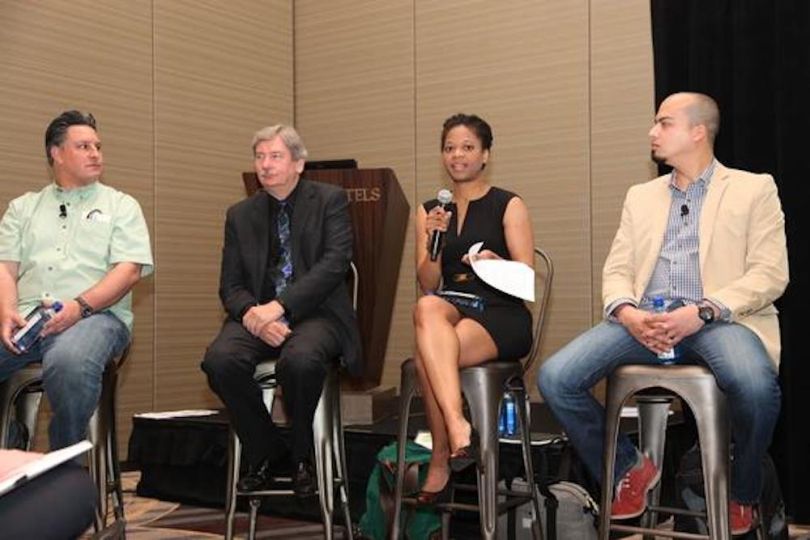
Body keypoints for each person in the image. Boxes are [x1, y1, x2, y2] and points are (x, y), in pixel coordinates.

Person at [538, 92, 788, 535]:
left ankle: (743, 491)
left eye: (664, 123)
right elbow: (618, 268)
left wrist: (703, 311)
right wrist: (627, 312)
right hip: (644, 321)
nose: (652, 132)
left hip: (717, 320)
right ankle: (628, 469)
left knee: (754, 385)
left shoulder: (753, 188)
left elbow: (770, 273)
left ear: (698, 132)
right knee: (556, 377)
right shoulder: (642, 196)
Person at [201, 124, 362, 497]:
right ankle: (267, 451)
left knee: (300, 361)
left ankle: (302, 455)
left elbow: (335, 264)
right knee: (220, 361)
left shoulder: (330, 200)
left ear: (299, 163)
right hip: (256, 315)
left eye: (275, 156)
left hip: (317, 314)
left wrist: (280, 307)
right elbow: (230, 285)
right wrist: (254, 316)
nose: (265, 165)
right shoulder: (240, 214)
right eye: (260, 157)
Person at [0, 110, 153, 450]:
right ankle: (10, 447)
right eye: (84, 146)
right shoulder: (23, 208)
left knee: (69, 362)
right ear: (56, 153)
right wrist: (7, 311)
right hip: (27, 317)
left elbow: (128, 270)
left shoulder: (121, 206)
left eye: (97, 146)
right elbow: (5, 268)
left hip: (97, 317)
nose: (95, 154)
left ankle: (64, 460)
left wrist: (79, 307)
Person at [411, 113, 535, 504]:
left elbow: (526, 278)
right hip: (452, 303)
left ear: (485, 155)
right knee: (427, 307)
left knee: (428, 356)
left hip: (500, 310)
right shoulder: (429, 210)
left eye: (467, 147)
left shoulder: (508, 203)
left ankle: (441, 457)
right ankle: (457, 424)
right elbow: (429, 282)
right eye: (450, 148)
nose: (457, 155)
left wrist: (496, 263)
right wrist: (433, 241)